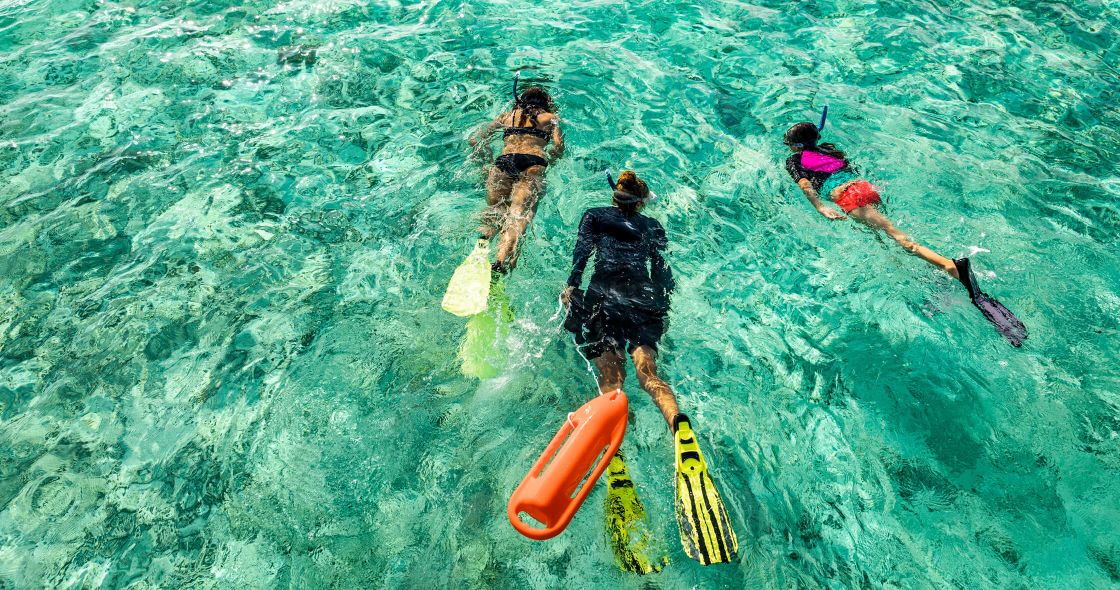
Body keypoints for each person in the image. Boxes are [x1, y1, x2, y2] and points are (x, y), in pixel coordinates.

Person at [562, 170, 738, 565]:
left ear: (615, 196)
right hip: (644, 300)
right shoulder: (653, 226)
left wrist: (572, 286)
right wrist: (662, 307)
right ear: (641, 202)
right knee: (649, 373)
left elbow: (582, 254)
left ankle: (614, 450)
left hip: (605, 297)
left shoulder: (595, 215)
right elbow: (662, 270)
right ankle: (678, 425)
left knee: (612, 381)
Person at [783, 114, 1026, 346]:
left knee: (901, 240)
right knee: (881, 239)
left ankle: (951, 266)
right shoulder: (829, 149)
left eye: (789, 144)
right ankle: (930, 276)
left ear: (797, 145)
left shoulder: (793, 160)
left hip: (848, 197)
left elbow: (805, 185)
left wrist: (820, 208)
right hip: (865, 188)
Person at [469, 76, 564, 273]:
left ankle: (479, 253)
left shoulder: (506, 116)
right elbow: (558, 146)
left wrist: (486, 162)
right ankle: (500, 262)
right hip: (533, 164)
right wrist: (552, 162)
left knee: (494, 213)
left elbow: (475, 139)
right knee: (518, 214)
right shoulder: (550, 118)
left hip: (504, 162)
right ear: (545, 103)